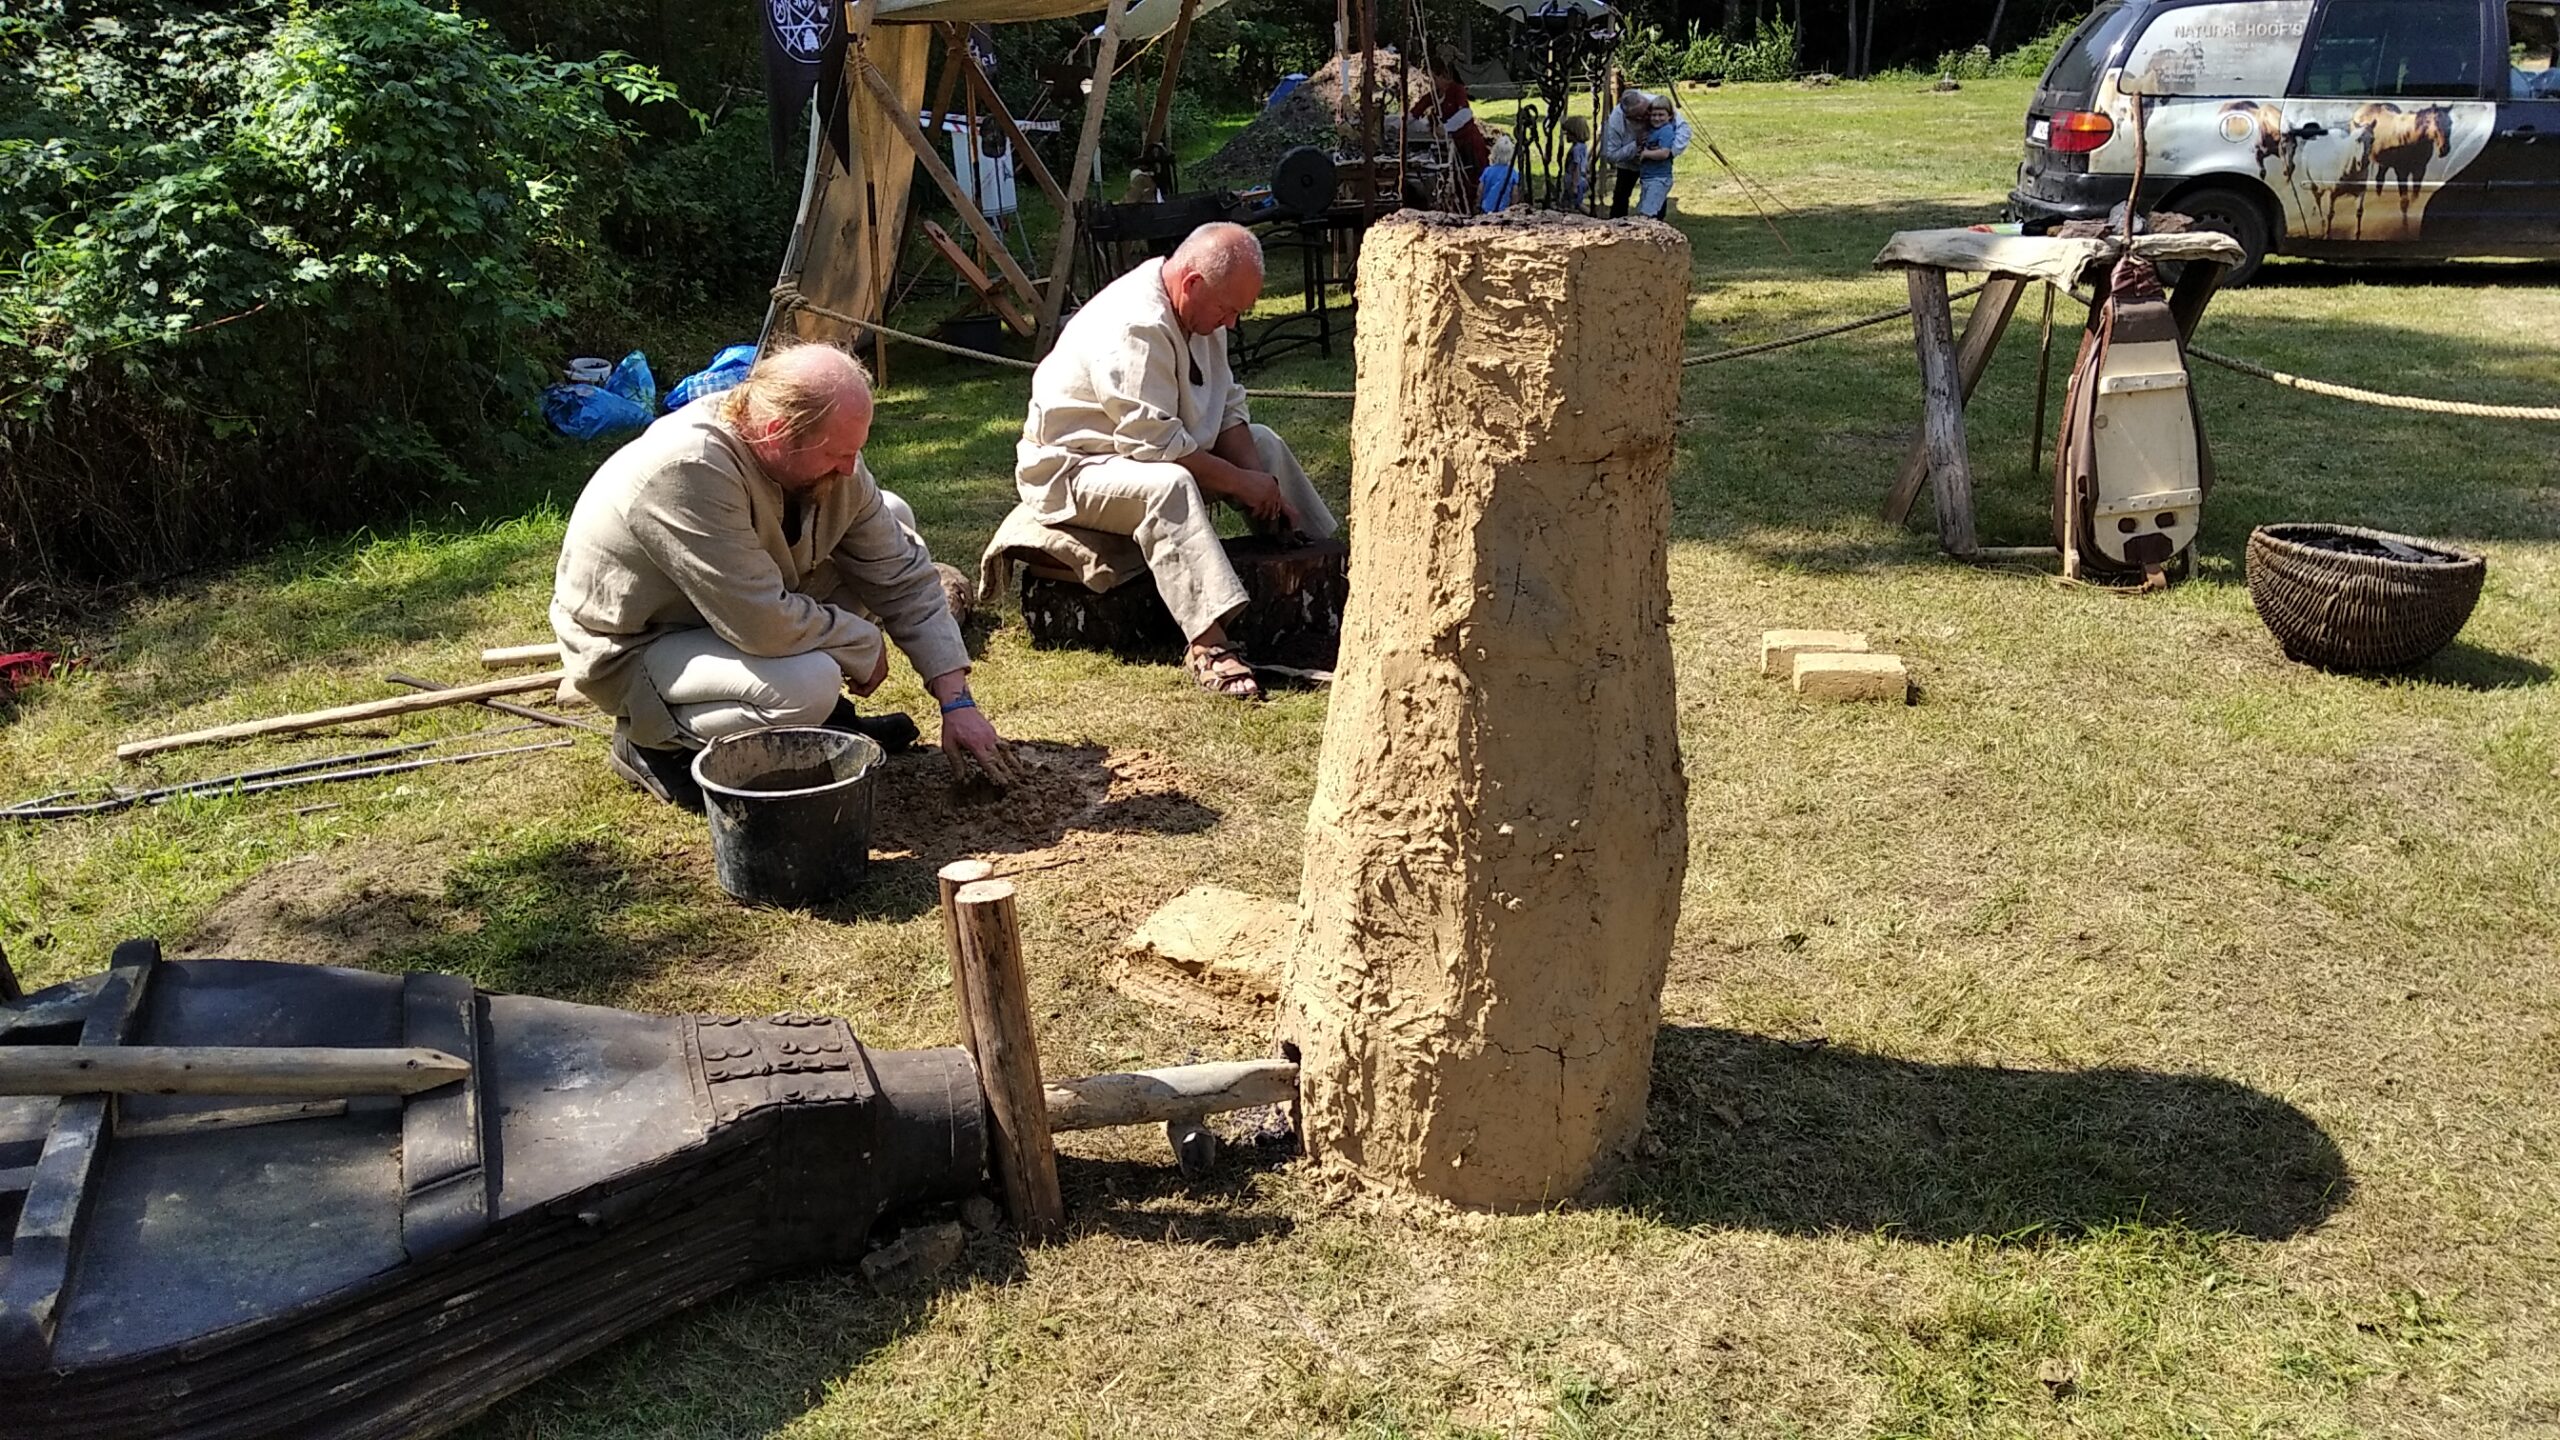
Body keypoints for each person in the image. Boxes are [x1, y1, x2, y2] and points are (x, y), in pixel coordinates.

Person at [551, 343, 1016, 810]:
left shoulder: (816, 454)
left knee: (894, 514)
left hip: (727, 613)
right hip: (638, 644)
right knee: (805, 683)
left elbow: (902, 575)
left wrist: (957, 702)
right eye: (837, 453)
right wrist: (861, 642)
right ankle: (655, 744)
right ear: (777, 432)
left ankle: (826, 721)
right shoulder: (688, 469)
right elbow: (761, 623)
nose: (851, 468)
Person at [1013, 223, 1339, 702]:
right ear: (1192, 284)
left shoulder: (1203, 307)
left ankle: (1324, 558)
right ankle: (1209, 642)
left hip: (1149, 450)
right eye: (1229, 310)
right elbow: (1153, 444)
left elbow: (1227, 408)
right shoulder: (1134, 324)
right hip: (1075, 469)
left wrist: (1260, 481)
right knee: (1168, 485)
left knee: (1263, 444)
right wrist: (1240, 485)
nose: (1232, 323)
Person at [1414, 50, 1494, 207]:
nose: (1431, 82)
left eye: (1433, 78)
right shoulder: (1433, 96)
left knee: (1474, 177)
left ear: (1442, 76)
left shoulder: (1457, 90)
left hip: (1469, 144)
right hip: (1452, 145)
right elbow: (1413, 115)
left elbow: (1465, 114)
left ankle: (1479, 206)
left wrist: (1445, 128)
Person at [1600, 88, 1653, 218]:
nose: (1648, 116)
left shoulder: (1657, 103)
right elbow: (1610, 155)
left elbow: (1680, 129)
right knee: (1621, 197)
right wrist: (1635, 145)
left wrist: (1668, 151)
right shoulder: (1615, 123)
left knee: (1654, 194)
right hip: (1628, 163)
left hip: (1654, 160)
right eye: (1640, 116)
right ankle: (1616, 227)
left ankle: (1656, 226)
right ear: (1628, 117)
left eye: (1648, 110)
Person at [1635, 99, 1691, 219]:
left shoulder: (1666, 131)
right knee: (1643, 209)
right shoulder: (1652, 130)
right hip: (1648, 177)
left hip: (1659, 178)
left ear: (1670, 116)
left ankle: (1651, 235)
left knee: (1647, 214)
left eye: (1661, 115)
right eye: (1654, 115)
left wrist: (1646, 154)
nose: (1657, 118)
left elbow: (1665, 153)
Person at [1477, 133, 1522, 212]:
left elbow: (1480, 190)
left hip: (1486, 209)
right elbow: (1515, 193)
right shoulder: (1512, 173)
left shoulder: (1488, 171)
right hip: (1504, 210)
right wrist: (1514, 206)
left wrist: (1478, 204)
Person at [1559, 113, 1592, 212]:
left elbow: (1575, 167)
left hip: (1574, 181)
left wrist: (1574, 185)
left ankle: (1591, 215)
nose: (1566, 136)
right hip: (1581, 179)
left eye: (1567, 133)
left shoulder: (1576, 149)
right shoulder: (1583, 146)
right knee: (1567, 202)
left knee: (1576, 203)